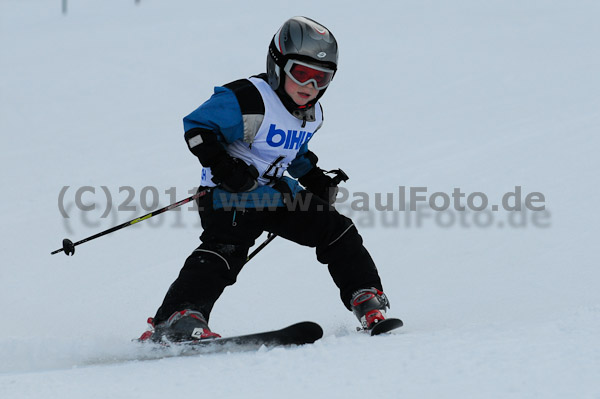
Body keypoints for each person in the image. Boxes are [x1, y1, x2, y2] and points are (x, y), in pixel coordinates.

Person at [139, 16, 394, 343]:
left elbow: (295, 153)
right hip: (228, 194)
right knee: (227, 250)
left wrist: (314, 178)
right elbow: (197, 128)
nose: (311, 87)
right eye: (301, 74)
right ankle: (177, 317)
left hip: (274, 195)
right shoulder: (249, 98)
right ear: (277, 65)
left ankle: (365, 297)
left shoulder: (312, 114)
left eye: (321, 78)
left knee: (337, 230)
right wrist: (223, 165)